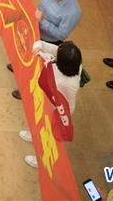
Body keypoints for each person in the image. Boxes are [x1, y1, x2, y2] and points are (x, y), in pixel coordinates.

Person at [17, 40, 82, 168]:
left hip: (59, 111)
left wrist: (44, 57)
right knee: (38, 120)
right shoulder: (73, 63)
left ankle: (40, 160)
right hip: (48, 101)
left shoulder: (62, 82)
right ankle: (32, 134)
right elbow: (42, 44)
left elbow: (48, 80)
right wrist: (38, 49)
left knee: (49, 136)